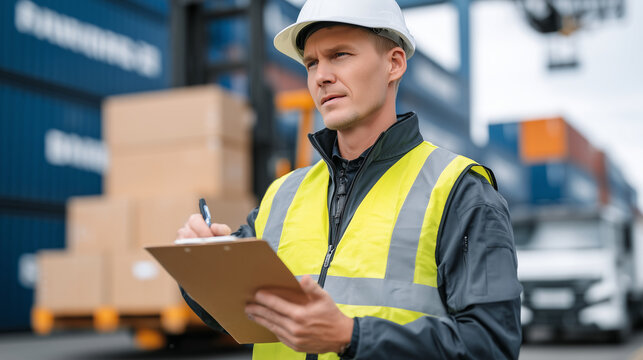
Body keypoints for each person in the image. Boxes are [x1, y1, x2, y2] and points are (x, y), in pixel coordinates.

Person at [176, 0, 522, 359]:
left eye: (339, 55)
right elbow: (234, 314)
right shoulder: (283, 194)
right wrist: (202, 263)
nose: (320, 76)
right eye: (311, 63)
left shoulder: (459, 192)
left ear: (394, 64)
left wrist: (352, 336)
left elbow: (490, 346)